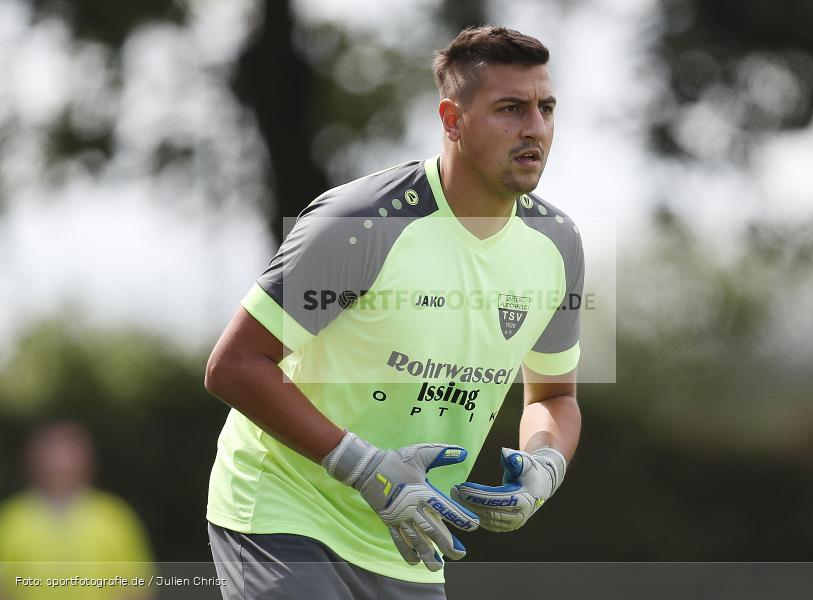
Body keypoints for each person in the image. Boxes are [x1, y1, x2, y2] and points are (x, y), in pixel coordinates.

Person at [204, 25, 583, 600]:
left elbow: (553, 396)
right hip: (284, 513)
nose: (535, 127)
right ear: (452, 120)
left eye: (545, 108)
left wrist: (543, 468)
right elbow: (233, 366)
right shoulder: (363, 226)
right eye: (510, 108)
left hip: (409, 541)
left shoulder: (558, 246)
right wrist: (364, 468)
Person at [0, 422, 154, 600]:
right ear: (34, 460)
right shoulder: (11, 520)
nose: (60, 464)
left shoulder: (114, 517)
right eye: (53, 455)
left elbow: (136, 585)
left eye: (69, 455)